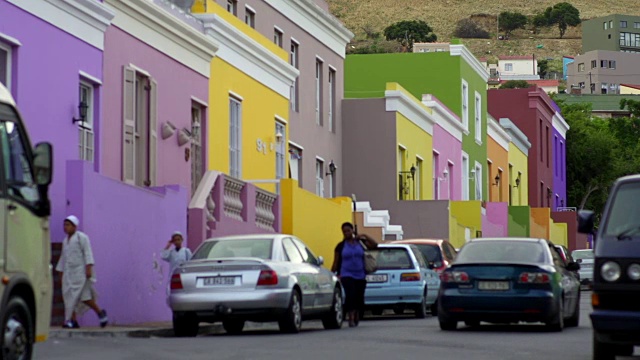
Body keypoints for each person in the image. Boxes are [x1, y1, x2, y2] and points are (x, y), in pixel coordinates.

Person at [55, 215, 108, 329]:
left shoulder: (81, 237)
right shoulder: (65, 241)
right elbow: (63, 258)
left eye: (68, 225)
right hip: (69, 275)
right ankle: (72, 321)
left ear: (74, 226)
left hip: (81, 274)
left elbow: (88, 253)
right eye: (64, 225)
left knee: (86, 298)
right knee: (69, 298)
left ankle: (100, 313)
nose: (65, 227)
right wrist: (61, 273)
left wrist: (88, 268)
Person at [331, 222, 378, 327]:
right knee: (350, 295)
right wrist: (332, 274)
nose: (346, 233)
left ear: (352, 230)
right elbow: (336, 261)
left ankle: (357, 314)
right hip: (346, 274)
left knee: (359, 297)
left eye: (348, 230)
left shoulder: (360, 243)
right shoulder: (341, 246)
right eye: (344, 231)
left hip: (360, 274)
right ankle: (351, 317)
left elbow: (374, 245)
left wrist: (364, 236)